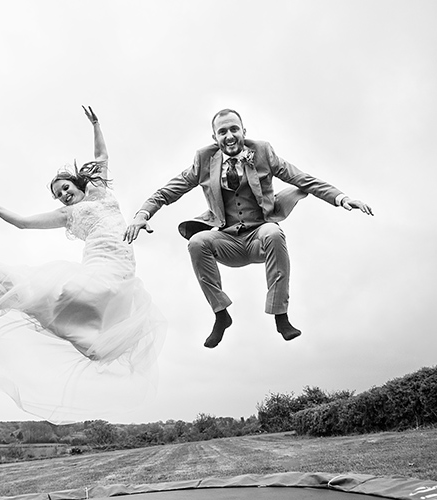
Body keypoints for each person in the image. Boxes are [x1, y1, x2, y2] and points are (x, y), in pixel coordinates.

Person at [0, 107, 166, 423]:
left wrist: (96, 124)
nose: (63, 195)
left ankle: (43, 309)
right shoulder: (68, 215)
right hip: (98, 264)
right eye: (58, 195)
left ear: (76, 183)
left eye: (65, 188)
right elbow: (24, 223)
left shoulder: (101, 191)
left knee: (103, 318)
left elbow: (102, 155)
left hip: (123, 268)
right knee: (67, 293)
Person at [124, 109, 373, 349]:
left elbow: (302, 179)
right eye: (222, 132)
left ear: (243, 131)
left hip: (259, 235)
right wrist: (141, 215)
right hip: (227, 239)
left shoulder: (262, 152)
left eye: (234, 129)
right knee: (197, 242)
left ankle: (280, 315)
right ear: (215, 137)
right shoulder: (203, 160)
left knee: (274, 232)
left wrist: (341, 198)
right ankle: (221, 314)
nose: (229, 136)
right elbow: (167, 191)